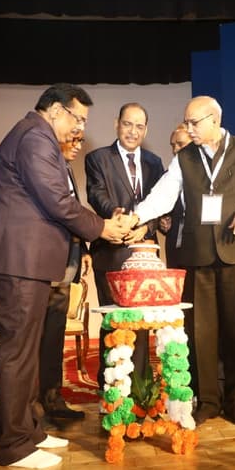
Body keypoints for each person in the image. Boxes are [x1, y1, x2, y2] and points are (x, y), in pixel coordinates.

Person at [0, 84, 129, 468]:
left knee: (29, 355)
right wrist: (103, 227)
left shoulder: (36, 136)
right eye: (78, 119)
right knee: (18, 356)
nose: (80, 128)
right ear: (57, 110)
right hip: (18, 263)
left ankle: (30, 431)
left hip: (27, 264)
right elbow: (58, 202)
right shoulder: (35, 138)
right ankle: (13, 446)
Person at [130, 95, 235, 426]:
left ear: (214, 120)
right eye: (187, 122)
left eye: (194, 122)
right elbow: (163, 195)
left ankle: (234, 400)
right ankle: (207, 400)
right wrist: (136, 217)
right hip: (198, 255)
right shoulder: (184, 158)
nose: (188, 128)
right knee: (201, 332)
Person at [85, 103, 165, 392]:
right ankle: (112, 389)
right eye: (128, 124)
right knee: (114, 322)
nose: (133, 131)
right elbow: (97, 195)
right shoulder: (97, 158)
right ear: (116, 124)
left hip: (145, 253)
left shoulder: (155, 163)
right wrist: (118, 217)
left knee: (142, 324)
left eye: (139, 126)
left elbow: (161, 203)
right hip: (112, 250)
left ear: (146, 130)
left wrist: (144, 227)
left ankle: (141, 386)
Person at [37, 130, 92, 423]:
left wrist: (83, 249)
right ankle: (35, 404)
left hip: (66, 265)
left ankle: (52, 398)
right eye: (73, 139)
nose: (78, 146)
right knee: (38, 339)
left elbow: (73, 215)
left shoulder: (67, 169)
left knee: (54, 337)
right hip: (44, 265)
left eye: (81, 141)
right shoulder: (47, 168)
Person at [161, 123, 192, 269]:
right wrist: (162, 222)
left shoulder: (209, 176)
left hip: (200, 250)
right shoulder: (167, 177)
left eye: (180, 144)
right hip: (175, 250)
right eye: (173, 145)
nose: (175, 150)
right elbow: (162, 211)